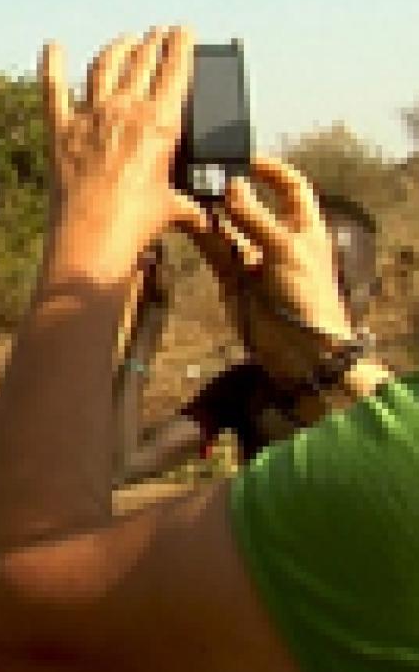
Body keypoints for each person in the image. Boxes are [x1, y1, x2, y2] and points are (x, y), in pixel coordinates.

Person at [0, 26, 419, 672]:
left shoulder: (404, 476)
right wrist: (326, 365)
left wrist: (88, 237)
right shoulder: (333, 405)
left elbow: (16, 605)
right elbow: (125, 459)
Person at [112, 194, 380, 486]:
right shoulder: (253, 387)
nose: (317, 301)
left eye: (337, 285)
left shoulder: (400, 397)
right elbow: (124, 464)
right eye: (309, 282)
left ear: (374, 293)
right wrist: (150, 320)